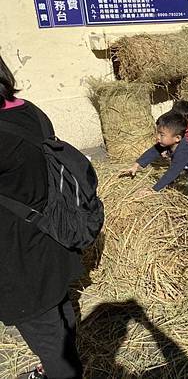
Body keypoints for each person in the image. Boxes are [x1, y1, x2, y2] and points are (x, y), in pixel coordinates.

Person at [0, 55, 83, 379]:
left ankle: (60, 370)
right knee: (60, 313)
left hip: (18, 258)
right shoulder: (31, 111)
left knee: (49, 340)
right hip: (52, 236)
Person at [123, 110, 188, 206]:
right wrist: (136, 165)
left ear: (177, 138)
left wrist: (154, 189)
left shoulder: (183, 151)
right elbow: (153, 151)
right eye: (158, 133)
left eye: (162, 135)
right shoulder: (170, 142)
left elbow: (172, 172)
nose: (157, 137)